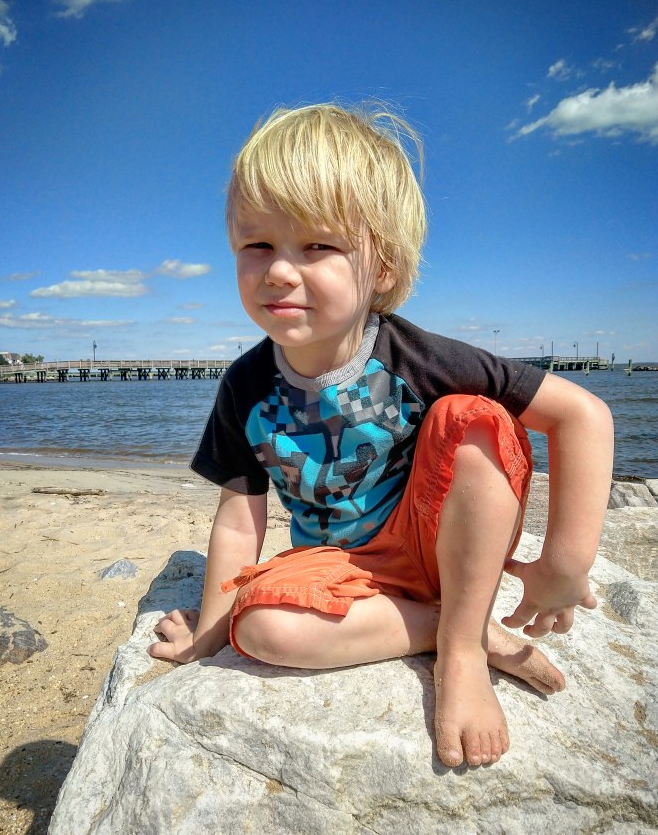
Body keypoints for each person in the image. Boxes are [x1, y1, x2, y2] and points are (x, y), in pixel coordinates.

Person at [148, 102, 614, 768]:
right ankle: (455, 627)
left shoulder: (418, 357)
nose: (279, 270)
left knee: (474, 418)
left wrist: (565, 564)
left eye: (317, 246)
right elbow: (238, 516)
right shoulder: (245, 386)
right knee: (259, 625)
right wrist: (210, 633)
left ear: (384, 268)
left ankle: (461, 654)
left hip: (442, 545)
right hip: (342, 570)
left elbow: (582, 415)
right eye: (258, 245)